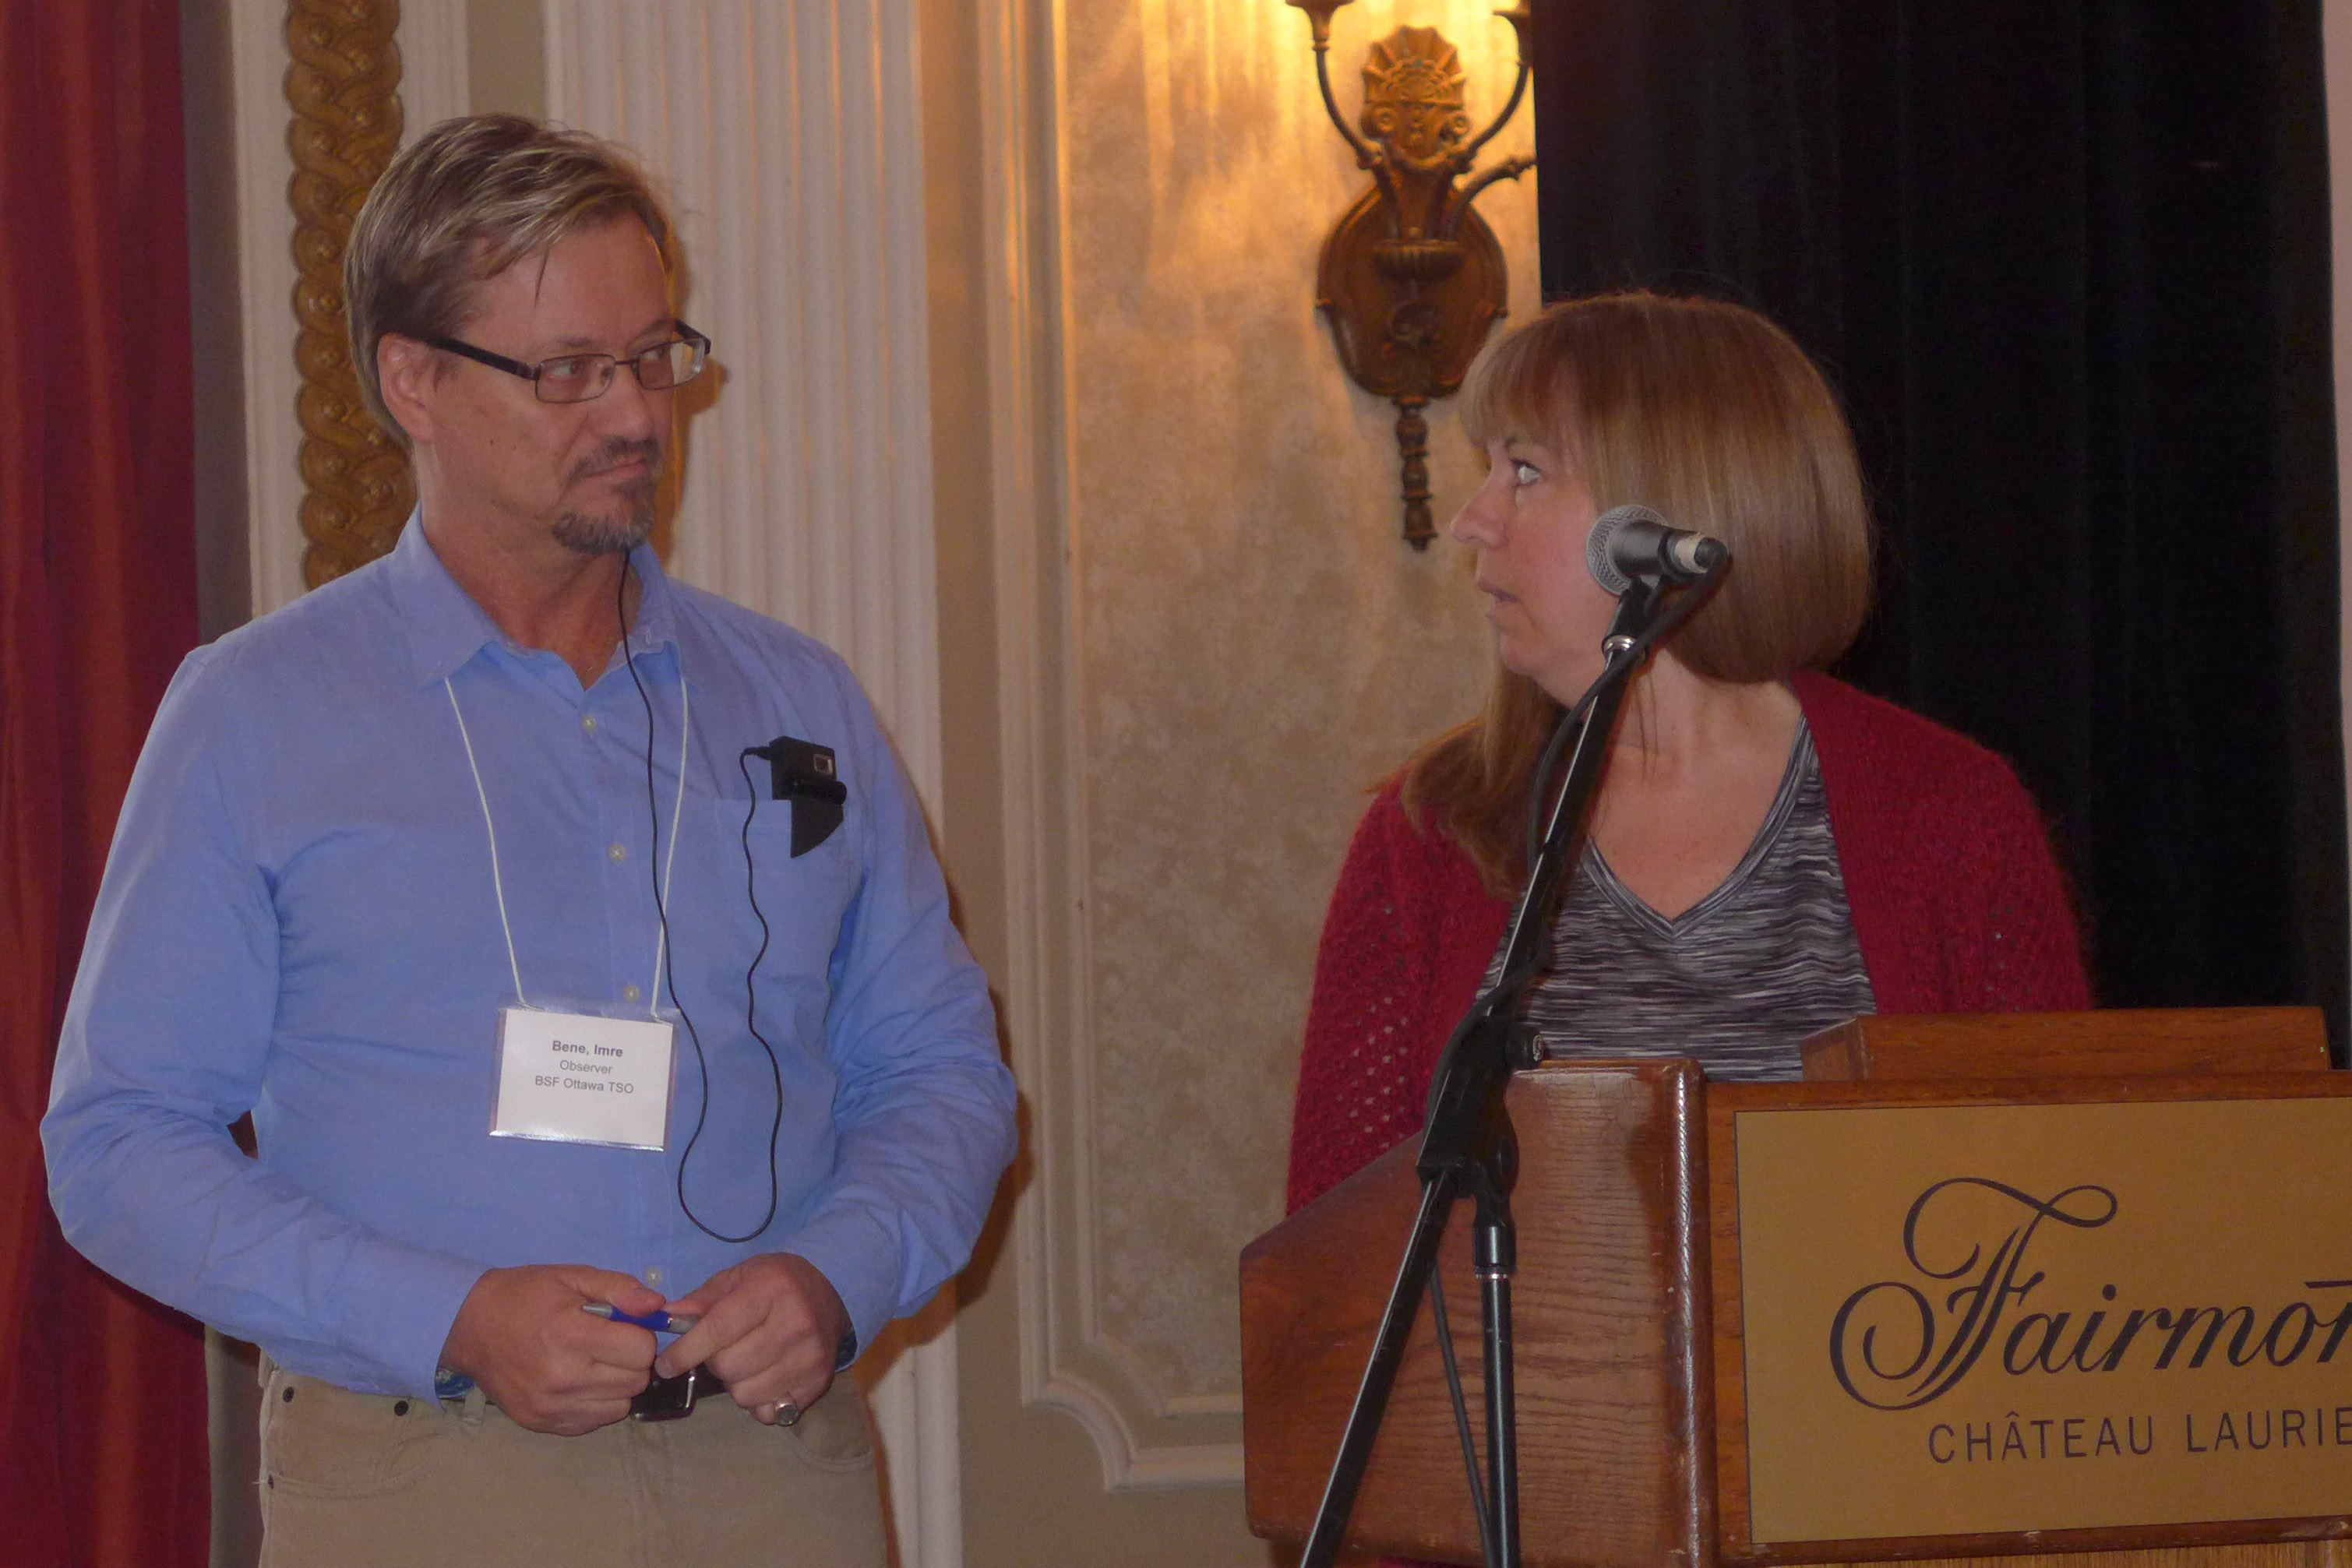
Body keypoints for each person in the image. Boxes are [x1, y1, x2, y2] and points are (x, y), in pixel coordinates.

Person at [44, 115, 1016, 1566]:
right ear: (415, 382)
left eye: (652, 356)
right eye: (567, 372)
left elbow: (940, 1068)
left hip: (775, 1471)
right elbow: (116, 1143)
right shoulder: (256, 713)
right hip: (423, 1481)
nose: (633, 414)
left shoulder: (797, 699)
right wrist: (444, 1313)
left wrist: (836, 1271)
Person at [1287, 291, 2089, 1212]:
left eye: (1525, 471)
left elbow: (2053, 1212)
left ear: (1668, 516)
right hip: (1523, 1363)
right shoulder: (1431, 831)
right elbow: (1331, 1266)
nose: (1472, 519)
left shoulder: (1947, 812)